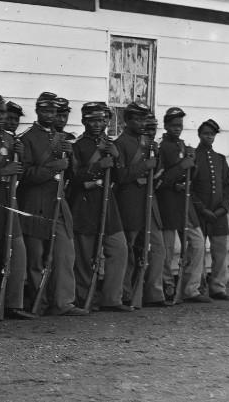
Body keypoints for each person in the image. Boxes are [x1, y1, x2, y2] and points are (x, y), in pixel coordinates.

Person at [18, 92, 86, 316]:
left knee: (65, 252)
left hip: (58, 199)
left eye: (54, 112)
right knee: (36, 257)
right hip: (35, 201)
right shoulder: (26, 138)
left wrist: (71, 158)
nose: (50, 115)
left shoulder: (63, 138)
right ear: (37, 111)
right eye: (46, 111)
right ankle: (40, 303)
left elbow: (74, 177)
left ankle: (63, 302)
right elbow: (25, 175)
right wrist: (54, 166)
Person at [67, 102, 131, 312]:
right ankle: (86, 299)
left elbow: (122, 177)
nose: (98, 124)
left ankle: (112, 298)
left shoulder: (111, 144)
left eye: (102, 119)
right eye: (93, 120)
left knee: (119, 248)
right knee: (85, 256)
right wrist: (98, 165)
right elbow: (74, 177)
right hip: (85, 205)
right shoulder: (77, 146)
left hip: (108, 204)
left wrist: (117, 156)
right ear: (84, 121)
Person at [0, 93, 36, 320]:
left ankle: (13, 303)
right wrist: (4, 171)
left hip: (9, 200)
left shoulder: (12, 139)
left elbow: (19, 173)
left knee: (16, 253)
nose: (1, 117)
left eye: (3, 112)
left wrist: (19, 159)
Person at [113, 101, 167, 308]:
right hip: (130, 204)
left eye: (144, 118)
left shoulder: (148, 142)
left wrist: (157, 156)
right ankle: (126, 295)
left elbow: (157, 170)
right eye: (137, 119)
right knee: (129, 252)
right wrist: (146, 165)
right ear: (127, 120)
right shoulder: (120, 143)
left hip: (149, 205)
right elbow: (121, 175)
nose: (142, 123)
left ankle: (154, 293)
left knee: (158, 249)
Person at [156, 107, 210, 304]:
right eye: (172, 125)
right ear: (166, 125)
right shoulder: (160, 147)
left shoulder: (183, 146)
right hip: (168, 205)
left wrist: (189, 170)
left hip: (185, 204)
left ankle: (190, 287)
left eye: (179, 125)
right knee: (167, 249)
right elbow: (158, 181)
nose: (176, 129)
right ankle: (168, 285)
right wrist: (182, 168)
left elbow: (190, 174)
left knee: (197, 243)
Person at [192, 119, 229, 301]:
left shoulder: (220, 159)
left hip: (218, 214)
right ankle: (199, 286)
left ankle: (218, 287)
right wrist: (202, 209)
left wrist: (223, 208)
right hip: (200, 214)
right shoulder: (192, 156)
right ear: (199, 135)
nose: (209, 137)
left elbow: (228, 187)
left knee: (220, 250)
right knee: (198, 251)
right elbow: (190, 189)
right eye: (205, 133)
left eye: (212, 134)